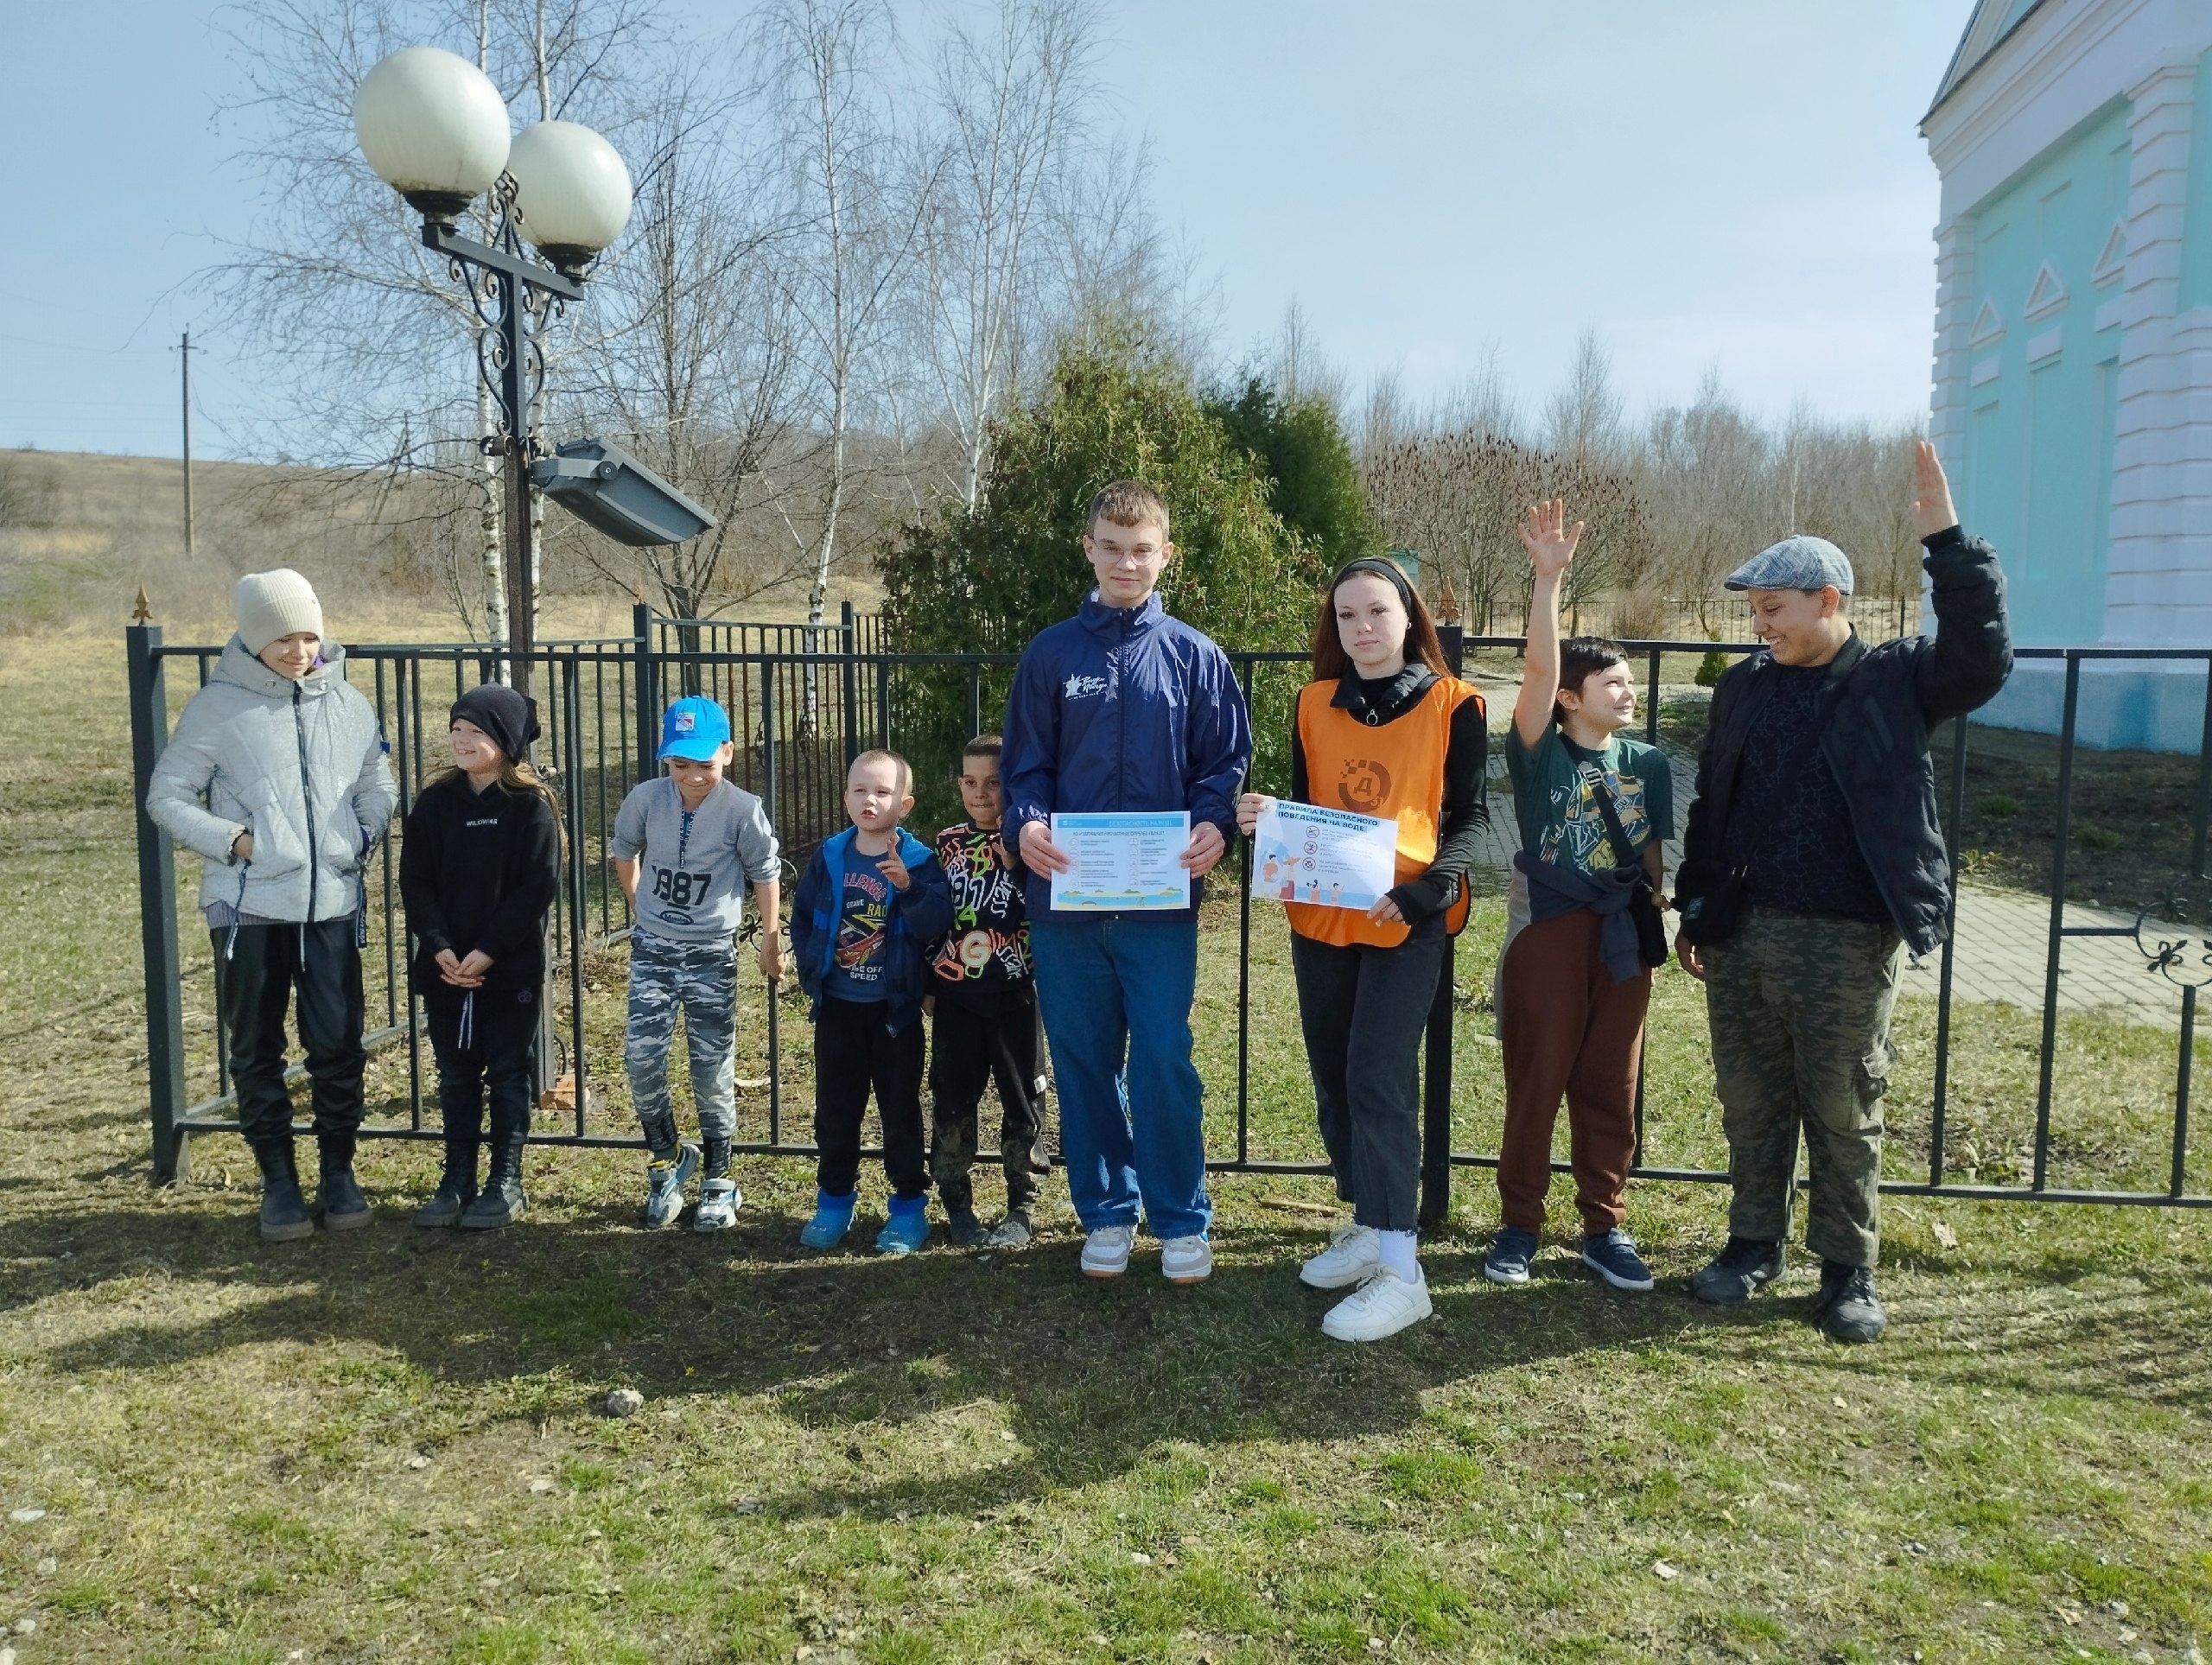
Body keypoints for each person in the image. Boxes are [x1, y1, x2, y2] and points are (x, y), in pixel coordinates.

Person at [1675, 442, 2011, 1344]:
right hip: (1744, 931)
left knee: (1842, 1104)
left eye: (1774, 609)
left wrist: (1945, 544)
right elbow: (1715, 801)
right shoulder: (1742, 688)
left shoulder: (1893, 681)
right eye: (1753, 610)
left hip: (1847, 935)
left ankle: (1846, 1268)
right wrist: (1697, 908)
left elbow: (1979, 659)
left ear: (1830, 602)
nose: (1760, 626)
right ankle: (1753, 1244)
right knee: (1749, 1098)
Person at [1001, 480, 1253, 1285]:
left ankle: (1181, 1215)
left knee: (1164, 1056)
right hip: (1066, 900)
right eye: (1111, 546)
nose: (1126, 562)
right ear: (1089, 548)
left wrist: (1213, 820)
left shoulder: (1195, 656)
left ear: (1166, 555)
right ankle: (1107, 1209)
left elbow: (1222, 764)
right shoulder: (1049, 655)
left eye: (1142, 549)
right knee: (1080, 1056)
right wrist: (1026, 823)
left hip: (1159, 901)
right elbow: (1025, 766)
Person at [1235, 556, 1488, 1341]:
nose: (1364, 629)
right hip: (1323, 919)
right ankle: (1372, 1224)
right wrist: (1264, 819)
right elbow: (1310, 812)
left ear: (1409, 617)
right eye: (1348, 616)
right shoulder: (1314, 702)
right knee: (1335, 1076)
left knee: (1379, 1077)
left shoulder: (1455, 703)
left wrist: (1429, 888)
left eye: (1378, 612)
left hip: (1406, 919)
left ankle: (1404, 1268)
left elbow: (1472, 820)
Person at [146, 569, 397, 1242]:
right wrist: (238, 841)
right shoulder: (217, 708)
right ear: (255, 637)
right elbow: (166, 796)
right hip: (249, 909)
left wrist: (363, 834)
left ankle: (338, 1175)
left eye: (309, 634)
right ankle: (279, 1184)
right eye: (283, 636)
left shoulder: (348, 703)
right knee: (257, 1048)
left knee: (338, 1045)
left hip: (332, 904)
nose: (298, 650)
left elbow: (378, 782)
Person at [1485, 502, 1674, 1294]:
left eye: (1631, 680)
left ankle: (1606, 1225)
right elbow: (1534, 669)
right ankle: (1520, 1224)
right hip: (1552, 935)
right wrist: (1548, 580)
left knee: (1611, 1082)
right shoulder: (1540, 753)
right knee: (1540, 1079)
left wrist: (1658, 910)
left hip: (1623, 942)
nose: (1627, 690)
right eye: (1611, 680)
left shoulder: (1650, 762)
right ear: (1569, 696)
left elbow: (1656, 856)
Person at [610, 696, 785, 1232]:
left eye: (704, 764)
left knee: (711, 1068)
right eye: (679, 764)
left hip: (711, 952)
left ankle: (719, 1175)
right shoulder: (645, 798)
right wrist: (638, 903)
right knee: (641, 1060)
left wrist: (771, 938)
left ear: (728, 754)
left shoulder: (742, 809)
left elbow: (764, 871)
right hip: (655, 950)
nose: (691, 776)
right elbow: (624, 848)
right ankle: (666, 1160)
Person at [399, 684, 563, 1230]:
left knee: (509, 1071)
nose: (462, 741)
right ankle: (456, 1180)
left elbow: (536, 888)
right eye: (457, 730)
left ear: (507, 741)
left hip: (506, 969)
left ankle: (505, 1181)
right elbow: (415, 880)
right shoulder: (435, 803)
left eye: (477, 731)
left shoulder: (529, 806)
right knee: (455, 1075)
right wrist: (440, 946)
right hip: (446, 968)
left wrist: (488, 952)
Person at [791, 750, 956, 1255]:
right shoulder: (831, 856)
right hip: (839, 1008)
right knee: (836, 1111)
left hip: (894, 1013)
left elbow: (936, 925)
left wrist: (908, 887)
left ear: (904, 805)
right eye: (861, 790)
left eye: (883, 792)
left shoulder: (921, 860)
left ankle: (909, 1208)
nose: (870, 800)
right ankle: (835, 1200)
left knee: (899, 1110)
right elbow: (804, 919)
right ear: (846, 798)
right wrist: (811, 969)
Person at [926, 734, 1046, 1249]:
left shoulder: (1033, 842)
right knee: (953, 1096)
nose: (981, 794)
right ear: (959, 786)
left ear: (1013, 787)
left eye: (994, 783)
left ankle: (1022, 1203)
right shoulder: (947, 843)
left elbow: (1047, 909)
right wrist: (930, 978)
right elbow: (932, 916)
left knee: (1023, 1100)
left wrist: (1019, 871)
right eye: (971, 783)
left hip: (1017, 993)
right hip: (957, 996)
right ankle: (957, 1200)